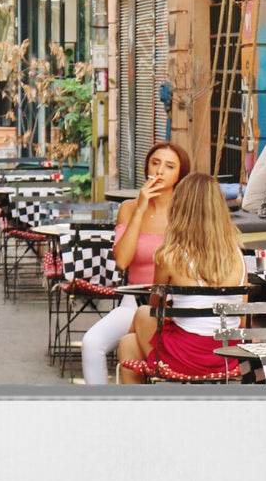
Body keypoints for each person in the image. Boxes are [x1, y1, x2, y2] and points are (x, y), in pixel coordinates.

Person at [116, 172, 245, 383]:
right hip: (229, 358)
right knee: (128, 342)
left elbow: (157, 310)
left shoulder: (169, 255)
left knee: (140, 317)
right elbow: (242, 320)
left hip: (187, 359)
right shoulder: (238, 255)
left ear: (179, 208)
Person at [79, 141, 189, 384]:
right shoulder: (128, 208)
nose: (160, 171)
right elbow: (122, 260)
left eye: (170, 166)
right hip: (134, 303)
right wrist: (140, 209)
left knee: (145, 357)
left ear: (180, 174)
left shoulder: (185, 211)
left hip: (176, 305)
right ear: (146, 167)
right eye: (155, 163)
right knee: (91, 343)